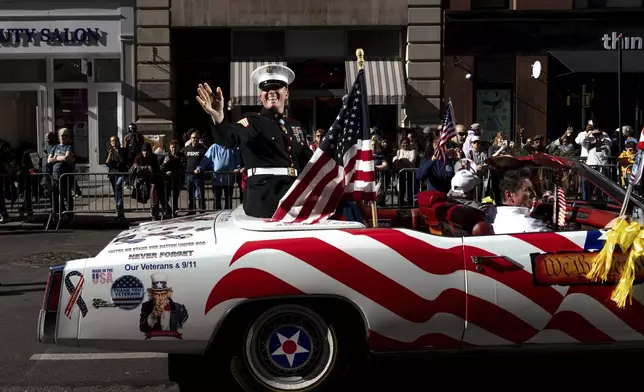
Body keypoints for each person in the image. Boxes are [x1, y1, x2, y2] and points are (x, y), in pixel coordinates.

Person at [195, 64, 313, 218]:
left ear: (287, 93)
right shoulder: (253, 121)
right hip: (264, 203)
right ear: (260, 96)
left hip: (295, 200)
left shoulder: (295, 126)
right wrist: (219, 118)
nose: (271, 92)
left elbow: (309, 162)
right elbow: (230, 139)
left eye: (277, 86)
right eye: (266, 88)